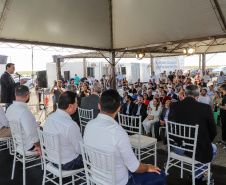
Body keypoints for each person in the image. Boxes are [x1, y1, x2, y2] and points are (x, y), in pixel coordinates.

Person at [84, 89, 166, 185]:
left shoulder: (89, 125)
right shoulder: (118, 132)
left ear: (99, 106)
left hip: (95, 177)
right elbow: (135, 167)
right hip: (119, 181)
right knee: (161, 174)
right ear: (119, 108)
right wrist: (148, 167)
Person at [168, 85, 217, 183]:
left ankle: (197, 173)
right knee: (213, 148)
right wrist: (205, 141)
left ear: (185, 94)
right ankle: (196, 174)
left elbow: (170, 124)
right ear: (198, 95)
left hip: (175, 146)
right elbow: (214, 132)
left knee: (201, 148)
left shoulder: (174, 106)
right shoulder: (206, 108)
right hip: (195, 149)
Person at [43, 91, 83, 170]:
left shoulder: (49, 118)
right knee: (95, 159)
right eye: (76, 103)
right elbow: (80, 150)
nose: (77, 105)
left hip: (51, 158)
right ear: (70, 106)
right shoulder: (70, 125)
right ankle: (86, 181)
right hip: (66, 163)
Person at [6, 85, 41, 156]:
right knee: (55, 140)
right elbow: (31, 135)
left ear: (15, 94)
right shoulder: (24, 112)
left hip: (18, 143)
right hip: (29, 146)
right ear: (27, 96)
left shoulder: (9, 108)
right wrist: (38, 146)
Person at [217, 84, 226, 149]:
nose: (219, 90)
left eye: (220, 88)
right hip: (223, 116)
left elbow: (225, 107)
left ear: (222, 89)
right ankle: (223, 140)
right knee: (223, 128)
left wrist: (219, 106)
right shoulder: (223, 96)